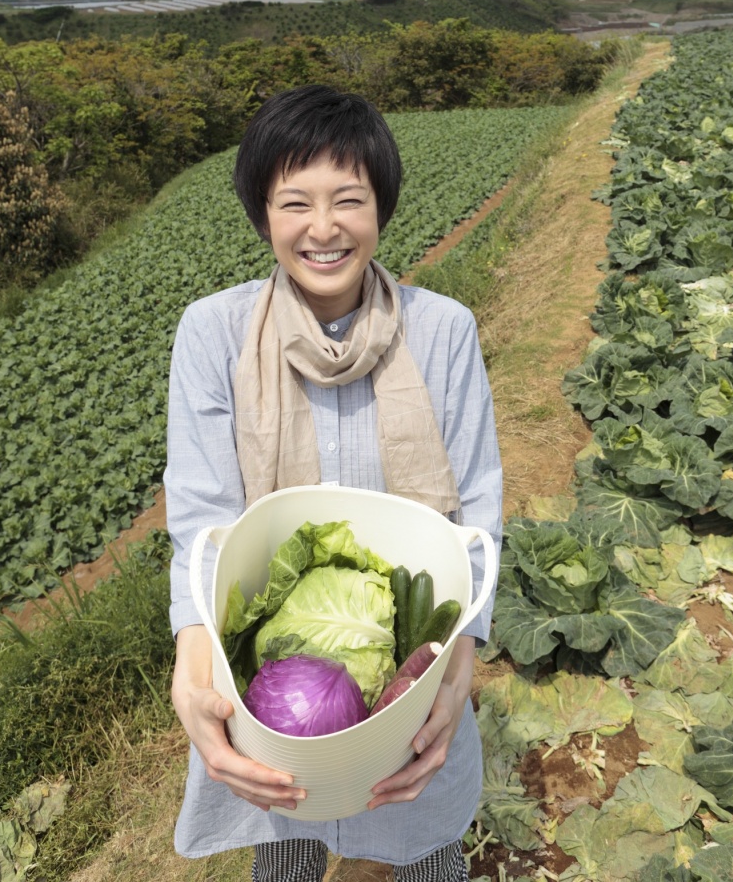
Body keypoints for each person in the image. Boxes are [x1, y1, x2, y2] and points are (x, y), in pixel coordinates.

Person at [164, 84, 503, 882]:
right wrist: (193, 670)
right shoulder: (213, 334)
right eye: (295, 202)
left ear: (380, 206)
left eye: (348, 199)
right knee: (283, 842)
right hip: (274, 692)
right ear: (263, 215)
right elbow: (204, 525)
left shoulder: (442, 329)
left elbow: (476, 512)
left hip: (411, 678)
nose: (323, 228)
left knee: (425, 842)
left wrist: (456, 676)